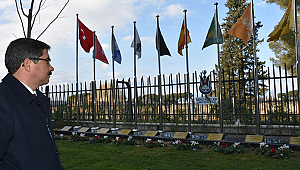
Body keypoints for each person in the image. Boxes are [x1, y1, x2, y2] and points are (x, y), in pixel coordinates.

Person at [0, 38, 64, 170]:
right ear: (28, 64)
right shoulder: (3, 100)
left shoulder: (38, 99)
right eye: (47, 61)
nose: (51, 68)